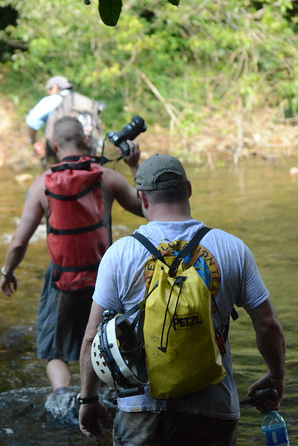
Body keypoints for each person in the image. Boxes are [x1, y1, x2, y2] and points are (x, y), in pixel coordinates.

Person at [79, 154, 286, 445]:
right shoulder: (232, 248)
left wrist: (88, 399)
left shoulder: (120, 254)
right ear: (188, 190)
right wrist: (276, 376)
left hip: (141, 410)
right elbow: (268, 325)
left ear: (142, 198)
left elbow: (92, 337)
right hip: (214, 409)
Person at [1, 116, 143, 417]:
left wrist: (7, 272)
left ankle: (62, 397)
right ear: (86, 142)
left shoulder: (41, 185)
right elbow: (150, 208)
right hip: (105, 279)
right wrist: (133, 166)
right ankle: (102, 397)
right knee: (106, 343)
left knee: (54, 349)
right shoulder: (107, 177)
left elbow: (18, 243)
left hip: (62, 281)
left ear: (54, 145)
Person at [26, 75, 73, 157]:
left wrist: (33, 141)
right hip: (87, 151)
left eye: (49, 89)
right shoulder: (83, 100)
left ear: (55, 88)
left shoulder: (52, 100)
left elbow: (32, 120)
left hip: (60, 151)